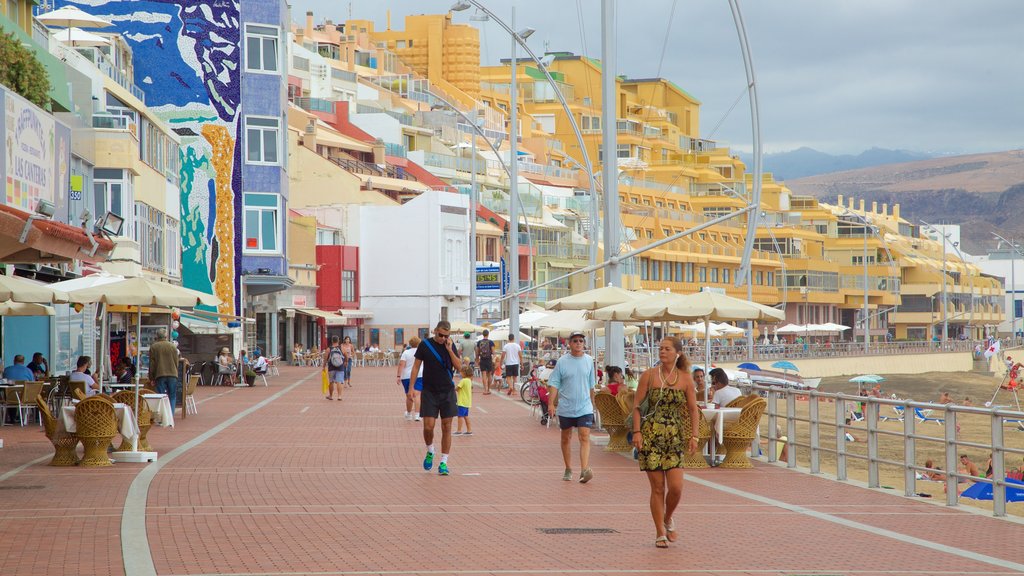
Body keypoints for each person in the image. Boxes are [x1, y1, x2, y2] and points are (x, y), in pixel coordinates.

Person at [631, 337, 700, 548]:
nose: (662, 352)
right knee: (658, 487)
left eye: (667, 349)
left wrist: (694, 435)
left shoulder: (686, 378)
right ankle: (660, 532)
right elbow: (637, 406)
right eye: (660, 348)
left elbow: (692, 409)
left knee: (676, 487)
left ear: (677, 353)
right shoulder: (649, 376)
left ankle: (668, 517)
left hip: (674, 437)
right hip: (651, 435)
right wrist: (637, 432)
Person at [407, 320, 462, 476]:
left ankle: (444, 462)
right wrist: (411, 388)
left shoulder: (450, 345)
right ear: (435, 331)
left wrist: (450, 350)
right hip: (429, 391)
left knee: (447, 427)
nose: (443, 338)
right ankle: (430, 450)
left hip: (447, 391)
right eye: (440, 334)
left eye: (446, 336)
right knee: (428, 426)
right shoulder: (425, 345)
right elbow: (416, 366)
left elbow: (459, 367)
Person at [547, 330, 598, 484]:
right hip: (566, 406)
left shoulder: (589, 360)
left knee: (584, 436)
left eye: (581, 341)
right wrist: (550, 403)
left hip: (584, 407)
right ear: (569, 344)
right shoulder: (562, 361)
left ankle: (584, 470)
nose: (578, 343)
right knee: (566, 438)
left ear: (584, 344)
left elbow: (591, 385)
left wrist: (593, 404)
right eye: (575, 341)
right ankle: (568, 468)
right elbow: (554, 383)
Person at [149, 329, 181, 412]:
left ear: (157, 336)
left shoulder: (154, 347)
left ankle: (162, 416)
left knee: (160, 396)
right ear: (166, 336)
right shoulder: (172, 346)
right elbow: (176, 361)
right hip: (172, 374)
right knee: (172, 396)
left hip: (160, 374)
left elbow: (152, 364)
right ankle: (171, 415)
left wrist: (151, 377)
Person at [397, 337, 423, 421]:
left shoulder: (406, 352)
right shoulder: (422, 352)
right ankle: (417, 415)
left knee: (409, 395)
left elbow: (401, 364)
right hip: (419, 375)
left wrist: (398, 376)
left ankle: (408, 414)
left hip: (407, 376)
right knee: (417, 395)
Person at [322, 336, 347, 401]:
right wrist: (346, 362)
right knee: (339, 381)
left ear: (332, 341)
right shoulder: (342, 348)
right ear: (338, 341)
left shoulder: (328, 349)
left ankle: (330, 395)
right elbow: (346, 355)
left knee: (331, 381)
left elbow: (325, 359)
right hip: (340, 366)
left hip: (331, 366)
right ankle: (339, 396)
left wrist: (324, 366)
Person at [454, 365, 473, 436]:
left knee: (460, 416)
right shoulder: (469, 381)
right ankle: (469, 430)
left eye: (461, 372)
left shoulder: (463, 380)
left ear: (464, 373)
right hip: (467, 402)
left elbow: (457, 388)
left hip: (462, 402)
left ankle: (459, 430)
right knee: (466, 416)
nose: (460, 373)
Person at [476, 329, 495, 395]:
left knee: (483, 375)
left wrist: (477, 360)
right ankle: (489, 389)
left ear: (482, 334)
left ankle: (485, 390)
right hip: (489, 359)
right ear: (488, 334)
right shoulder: (490, 342)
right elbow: (493, 352)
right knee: (489, 375)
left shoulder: (479, 342)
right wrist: (493, 359)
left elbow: (477, 352)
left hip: (482, 359)